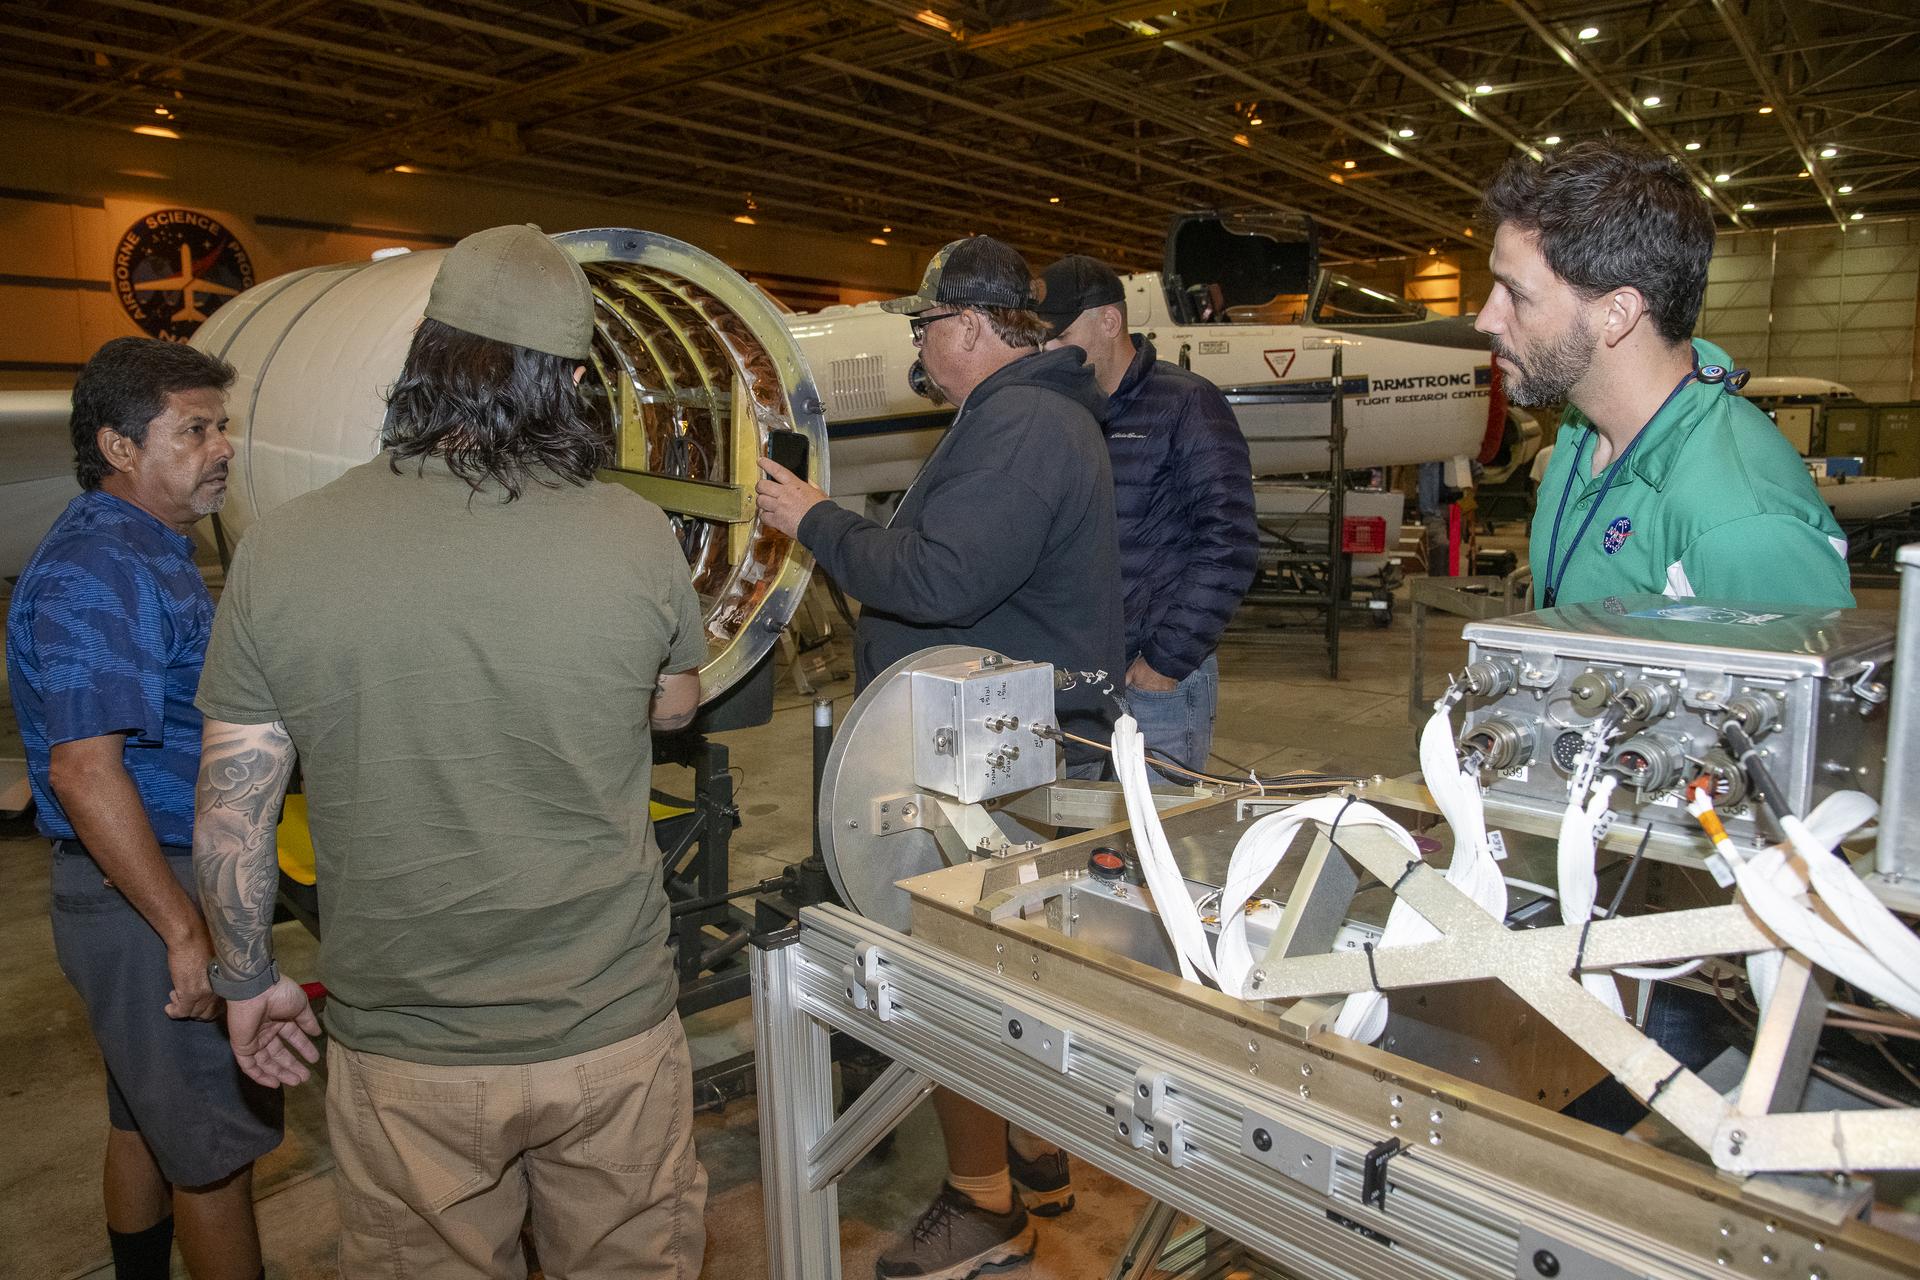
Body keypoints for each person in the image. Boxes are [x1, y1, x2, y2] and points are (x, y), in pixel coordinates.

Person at [189, 224, 708, 1277]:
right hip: (609, 1026)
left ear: (423, 357)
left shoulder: (284, 546)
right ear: (571, 382)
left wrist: (245, 979)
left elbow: (230, 807)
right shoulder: (634, 532)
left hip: (407, 1050)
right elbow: (675, 708)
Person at [755, 235, 1124, 1280]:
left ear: (968, 325)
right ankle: (1036, 1148)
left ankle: (983, 1204)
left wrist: (815, 519)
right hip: (1012, 743)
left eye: (925, 326)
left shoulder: (1023, 424)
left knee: (957, 970)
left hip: (994, 763)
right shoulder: (1027, 415)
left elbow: (939, 577)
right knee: (1019, 963)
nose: (917, 346)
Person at [5, 337, 278, 1280]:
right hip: (143, 890)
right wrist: (184, 929)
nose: (222, 448)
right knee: (214, 1153)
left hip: (139, 884)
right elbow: (85, 772)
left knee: (146, 1123)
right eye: (193, 430)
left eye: (222, 426)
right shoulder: (101, 568)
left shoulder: (147, 548)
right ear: (119, 448)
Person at [1474, 139, 1853, 609]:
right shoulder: (1580, 433)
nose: (1486, 320)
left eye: (1515, 294)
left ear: (1618, 313)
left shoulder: (1740, 521)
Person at [1036, 255, 1258, 778]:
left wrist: (1165, 660)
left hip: (1153, 681)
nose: (1046, 351)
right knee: (1075, 828)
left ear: (1109, 321)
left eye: (1059, 335)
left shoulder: (1188, 403)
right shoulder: (1060, 412)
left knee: (1154, 826)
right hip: (1075, 683)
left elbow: (1230, 542)